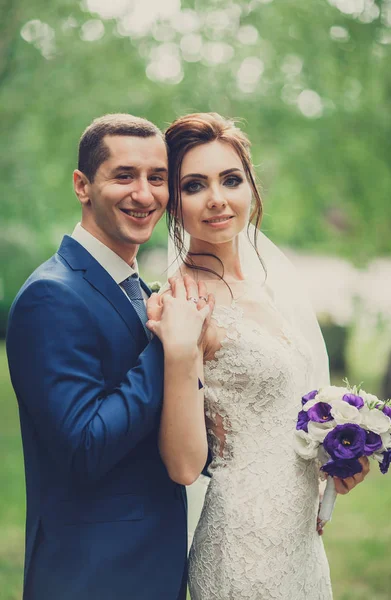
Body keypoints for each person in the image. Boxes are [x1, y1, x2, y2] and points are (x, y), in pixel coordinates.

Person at [150, 112, 370, 599]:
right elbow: (185, 466)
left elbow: (281, 411)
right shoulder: (184, 303)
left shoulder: (269, 285)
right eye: (194, 185)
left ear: (251, 184)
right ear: (173, 202)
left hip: (300, 541)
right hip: (243, 548)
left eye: (231, 179)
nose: (217, 199)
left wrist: (334, 456)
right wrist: (180, 350)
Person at [6, 113, 210, 600]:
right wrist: (170, 347)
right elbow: (85, 447)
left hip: (152, 571)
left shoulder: (137, 289)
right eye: (124, 176)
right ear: (82, 185)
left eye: (157, 178)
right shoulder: (50, 296)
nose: (144, 194)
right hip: (92, 577)